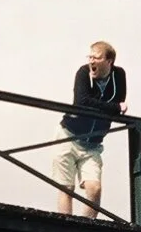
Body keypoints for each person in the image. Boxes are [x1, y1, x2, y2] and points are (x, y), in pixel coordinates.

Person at [53, 41, 126, 217]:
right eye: (90, 56)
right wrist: (113, 107)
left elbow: (120, 99)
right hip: (68, 136)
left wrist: (113, 107)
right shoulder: (83, 72)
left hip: (93, 144)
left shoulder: (119, 75)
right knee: (67, 188)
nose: (91, 61)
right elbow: (82, 102)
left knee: (94, 189)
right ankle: (66, 228)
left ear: (109, 61)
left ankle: (86, 227)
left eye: (96, 58)